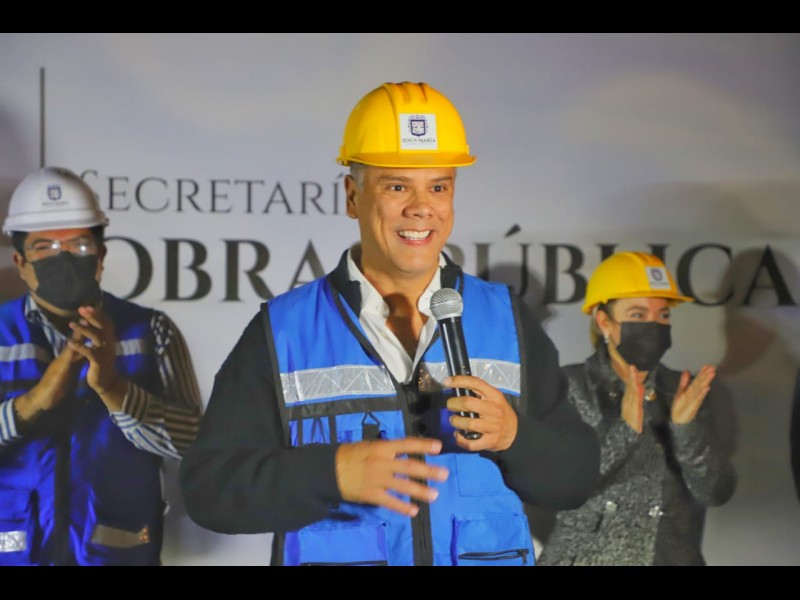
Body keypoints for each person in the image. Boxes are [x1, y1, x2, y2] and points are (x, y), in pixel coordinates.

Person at [180, 81, 600, 566]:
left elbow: (576, 480)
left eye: (438, 187)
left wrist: (515, 437)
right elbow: (209, 490)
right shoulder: (284, 328)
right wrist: (330, 474)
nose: (421, 207)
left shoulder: (506, 318)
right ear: (352, 196)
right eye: (397, 186)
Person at [0, 166, 204, 566]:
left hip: (117, 552)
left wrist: (115, 390)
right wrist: (34, 403)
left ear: (101, 255)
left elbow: (197, 442)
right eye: (44, 247)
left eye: (78, 244)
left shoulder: (152, 331)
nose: (62, 257)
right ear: (20, 261)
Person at [538, 251, 737, 566]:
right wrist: (626, 429)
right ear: (604, 322)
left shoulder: (684, 389)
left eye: (663, 316)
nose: (653, 326)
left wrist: (686, 429)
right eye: (638, 314)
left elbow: (716, 492)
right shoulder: (569, 386)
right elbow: (560, 487)